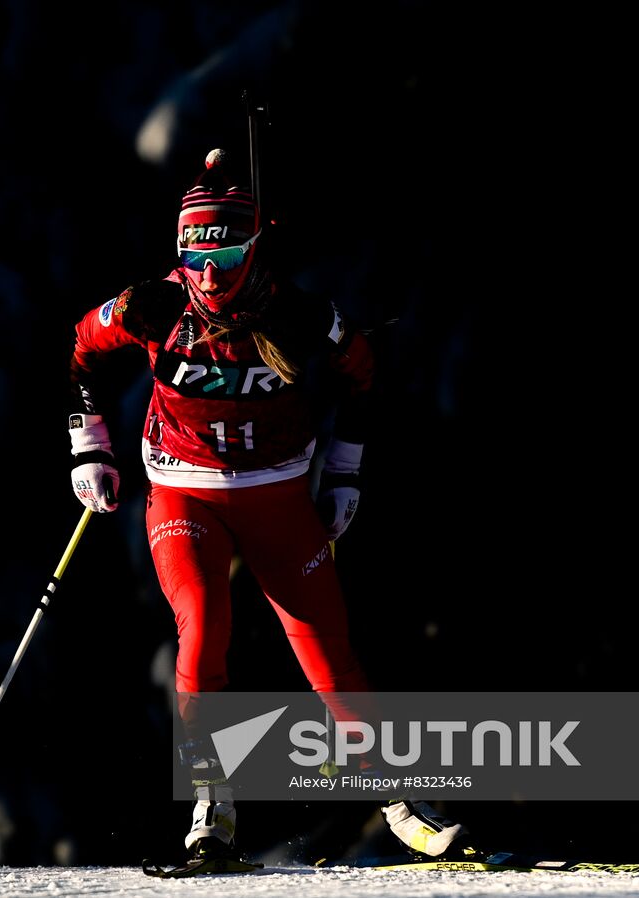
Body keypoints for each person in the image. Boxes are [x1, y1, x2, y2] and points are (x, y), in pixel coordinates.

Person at [64, 148, 467, 865]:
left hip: (278, 497)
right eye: (195, 256)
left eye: (228, 255)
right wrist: (89, 446)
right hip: (184, 492)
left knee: (327, 649)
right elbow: (83, 350)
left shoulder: (300, 312)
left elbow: (363, 376)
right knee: (203, 622)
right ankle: (210, 807)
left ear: (257, 247)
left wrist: (345, 472)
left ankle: (398, 799)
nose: (210, 274)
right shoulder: (152, 304)